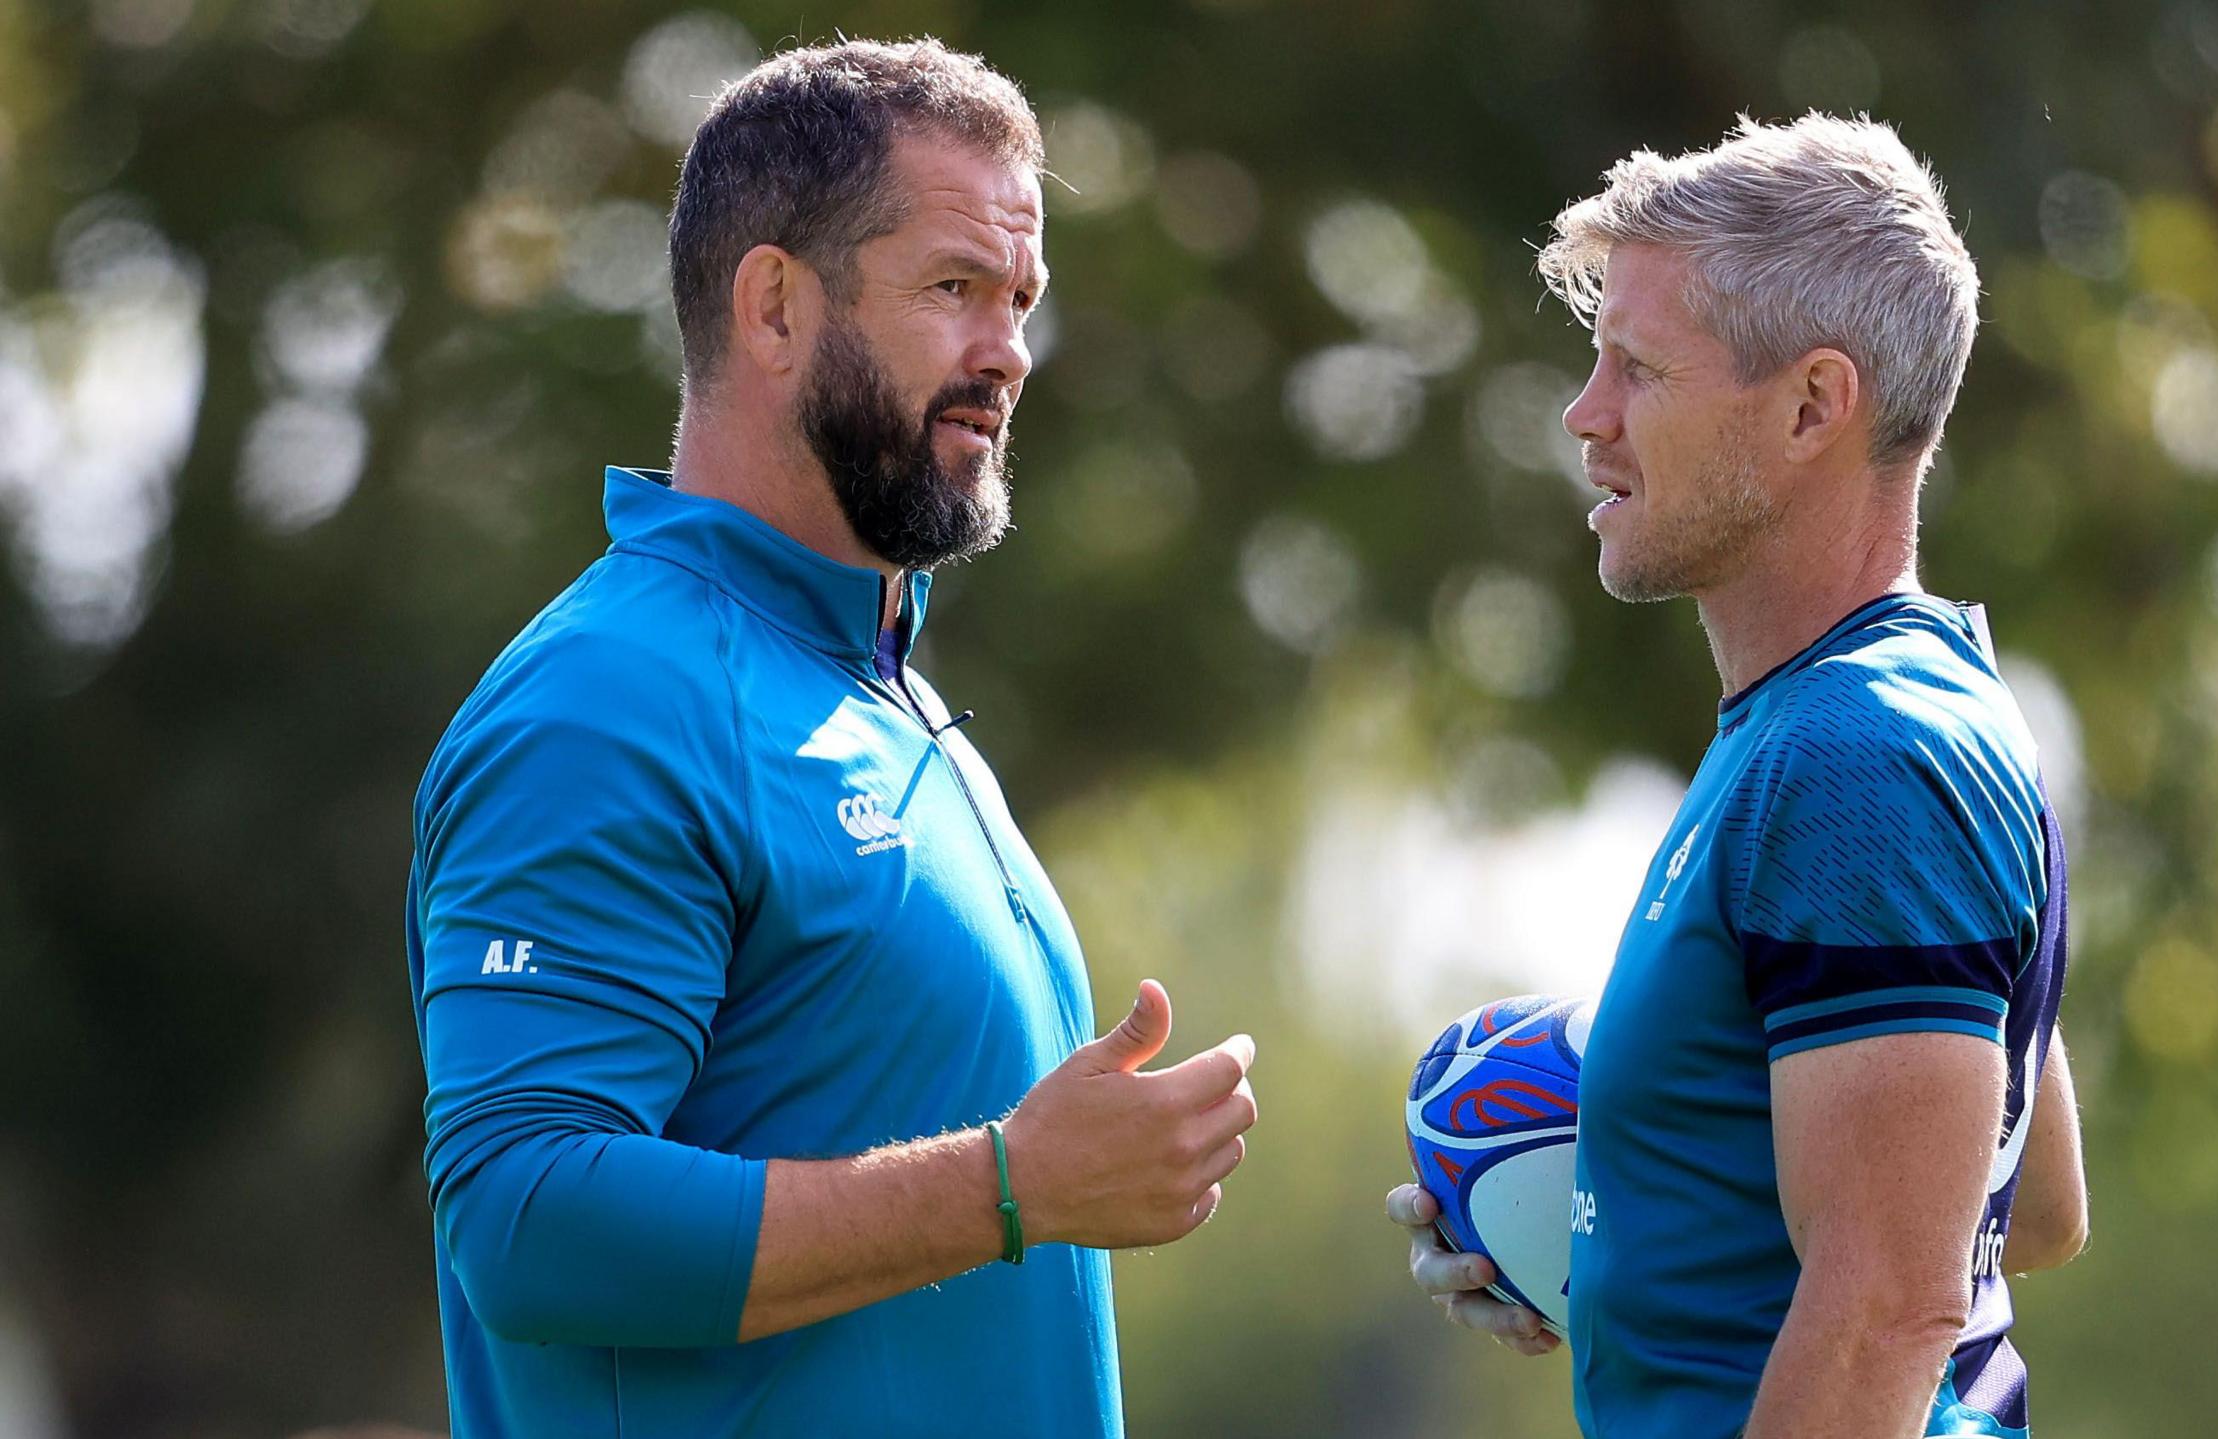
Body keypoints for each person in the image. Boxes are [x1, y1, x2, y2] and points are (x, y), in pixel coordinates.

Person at [406, 38, 1256, 1439]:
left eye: (1022, 300)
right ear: (776, 307)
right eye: (954, 289)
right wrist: (1008, 1186)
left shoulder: (893, 697)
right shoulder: (606, 701)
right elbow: (526, 1214)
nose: (1009, 353)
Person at [1388, 115, 2089, 1438]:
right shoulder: (1893, 712)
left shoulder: (1856, 757)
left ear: (1814, 406)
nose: (1583, 416)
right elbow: (2030, 1214)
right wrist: (1630, 1241)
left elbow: (1891, 1299)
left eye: (1637, 369)